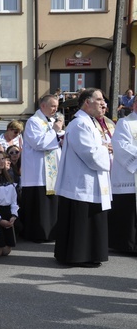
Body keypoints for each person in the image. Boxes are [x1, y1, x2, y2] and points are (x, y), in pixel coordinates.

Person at [54, 88, 112, 267]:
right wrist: (106, 149)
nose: (103, 103)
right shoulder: (80, 124)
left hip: (90, 181)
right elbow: (90, 154)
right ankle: (79, 256)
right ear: (87, 102)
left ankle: (89, 254)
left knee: (90, 220)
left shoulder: (90, 123)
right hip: (81, 183)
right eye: (99, 99)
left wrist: (103, 146)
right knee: (82, 221)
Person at [20, 95, 64, 242]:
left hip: (52, 172)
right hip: (37, 174)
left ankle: (52, 233)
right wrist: (55, 132)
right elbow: (39, 143)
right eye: (53, 106)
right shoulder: (34, 121)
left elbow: (57, 141)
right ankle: (37, 234)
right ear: (43, 106)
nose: (55, 109)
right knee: (39, 207)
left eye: (57, 107)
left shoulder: (50, 121)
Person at [109, 97, 137, 253]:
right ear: (134, 105)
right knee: (129, 212)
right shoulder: (125, 123)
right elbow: (120, 146)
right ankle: (126, 245)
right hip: (129, 175)